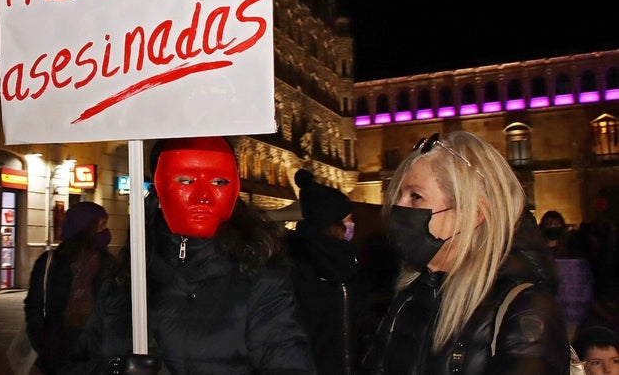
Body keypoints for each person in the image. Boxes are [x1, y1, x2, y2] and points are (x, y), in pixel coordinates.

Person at [64, 136, 315, 374]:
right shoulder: (126, 278)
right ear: (159, 189)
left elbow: (288, 364)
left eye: (219, 182)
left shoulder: (261, 280)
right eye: (186, 180)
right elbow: (77, 360)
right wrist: (113, 369)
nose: (203, 196)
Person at [358, 130, 570, 374]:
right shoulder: (408, 301)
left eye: (416, 196)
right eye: (399, 195)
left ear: (472, 215)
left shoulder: (525, 311)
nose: (398, 207)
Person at [286, 168, 371, 375]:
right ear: (332, 225)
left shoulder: (350, 263)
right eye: (347, 219)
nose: (351, 225)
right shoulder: (298, 267)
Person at [25, 201, 118, 374]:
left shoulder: (108, 262)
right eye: (102, 224)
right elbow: (34, 305)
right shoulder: (50, 261)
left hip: (97, 346)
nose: (106, 231)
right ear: (85, 226)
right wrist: (41, 342)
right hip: (59, 345)